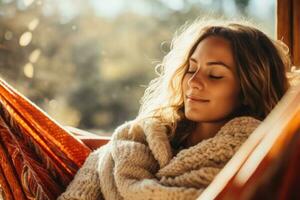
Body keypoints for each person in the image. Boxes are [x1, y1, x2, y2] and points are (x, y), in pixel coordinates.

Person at [58, 19, 291, 200]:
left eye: (215, 75)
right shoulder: (141, 139)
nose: (194, 82)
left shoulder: (250, 158)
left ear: (250, 90)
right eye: (191, 69)